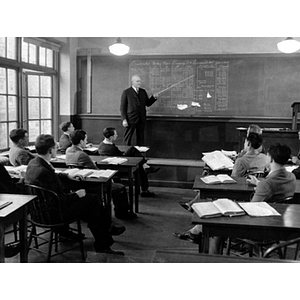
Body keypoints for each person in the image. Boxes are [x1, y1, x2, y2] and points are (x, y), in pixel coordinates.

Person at [173, 143, 296, 252]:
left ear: (271, 159)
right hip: (279, 222)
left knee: (217, 222)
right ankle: (196, 232)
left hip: (261, 225)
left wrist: (233, 205)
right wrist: (258, 185)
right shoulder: (291, 177)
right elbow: (273, 189)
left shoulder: (266, 184)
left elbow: (252, 208)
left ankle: (212, 258)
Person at [25, 134, 125, 255]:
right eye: (55, 148)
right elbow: (58, 200)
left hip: (38, 212)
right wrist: (77, 195)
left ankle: (98, 232)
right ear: (50, 150)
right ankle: (103, 242)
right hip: (54, 214)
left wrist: (67, 175)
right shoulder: (44, 171)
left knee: (93, 209)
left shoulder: (34, 163)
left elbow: (52, 176)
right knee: (94, 201)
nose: (57, 150)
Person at [66, 129, 137, 219]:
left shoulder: (68, 150)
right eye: (85, 139)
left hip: (77, 184)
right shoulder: (82, 154)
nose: (87, 141)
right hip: (91, 184)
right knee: (120, 188)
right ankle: (122, 213)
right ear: (81, 141)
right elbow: (95, 170)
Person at [98, 127, 159, 197]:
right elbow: (121, 157)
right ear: (111, 137)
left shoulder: (101, 145)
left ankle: (144, 165)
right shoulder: (112, 148)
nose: (117, 135)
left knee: (139, 162)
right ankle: (145, 167)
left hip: (109, 167)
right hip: (120, 167)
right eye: (115, 134)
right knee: (134, 153)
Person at [120, 74, 159, 146]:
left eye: (140, 81)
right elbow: (122, 107)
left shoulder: (143, 91)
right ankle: (126, 153)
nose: (139, 83)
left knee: (141, 139)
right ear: (133, 82)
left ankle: (140, 155)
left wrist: (153, 98)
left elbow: (148, 103)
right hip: (130, 119)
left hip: (141, 119)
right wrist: (124, 119)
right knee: (127, 139)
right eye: (137, 81)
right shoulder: (126, 92)